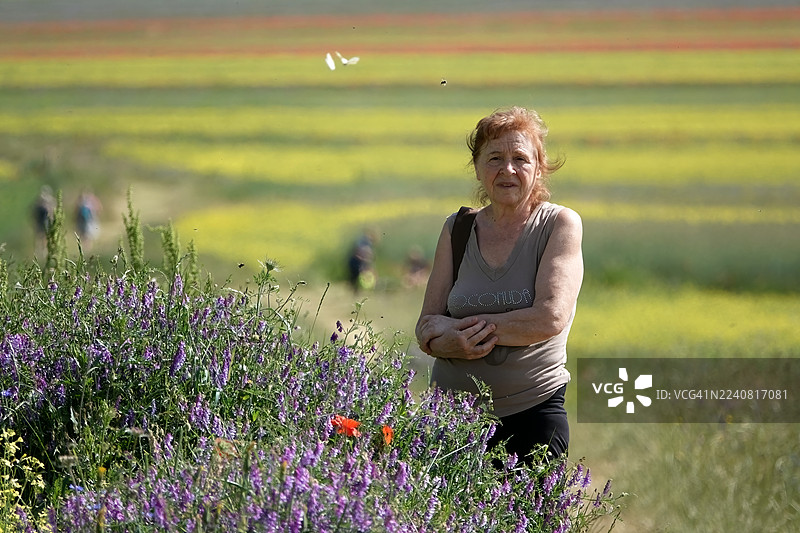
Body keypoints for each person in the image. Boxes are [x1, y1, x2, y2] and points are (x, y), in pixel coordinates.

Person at [415, 106, 583, 463]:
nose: (508, 169)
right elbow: (426, 327)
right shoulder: (457, 229)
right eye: (494, 158)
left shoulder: (558, 225)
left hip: (531, 415)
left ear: (539, 167)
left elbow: (549, 318)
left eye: (520, 158)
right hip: (450, 421)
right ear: (477, 168)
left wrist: (459, 332)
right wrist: (444, 340)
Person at [32, 185, 56, 256]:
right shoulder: (39, 203)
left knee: (45, 237)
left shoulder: (50, 202)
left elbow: (52, 212)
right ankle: (39, 251)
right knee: (40, 236)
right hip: (40, 222)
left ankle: (44, 250)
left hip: (46, 222)